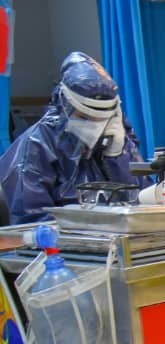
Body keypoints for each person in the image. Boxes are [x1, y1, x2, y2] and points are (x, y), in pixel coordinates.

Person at [0, 52, 151, 224]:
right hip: (65, 237)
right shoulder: (37, 146)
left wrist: (117, 157)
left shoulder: (117, 137)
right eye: (85, 117)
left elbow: (141, 201)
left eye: (102, 118)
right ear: (65, 105)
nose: (95, 125)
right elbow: (32, 219)